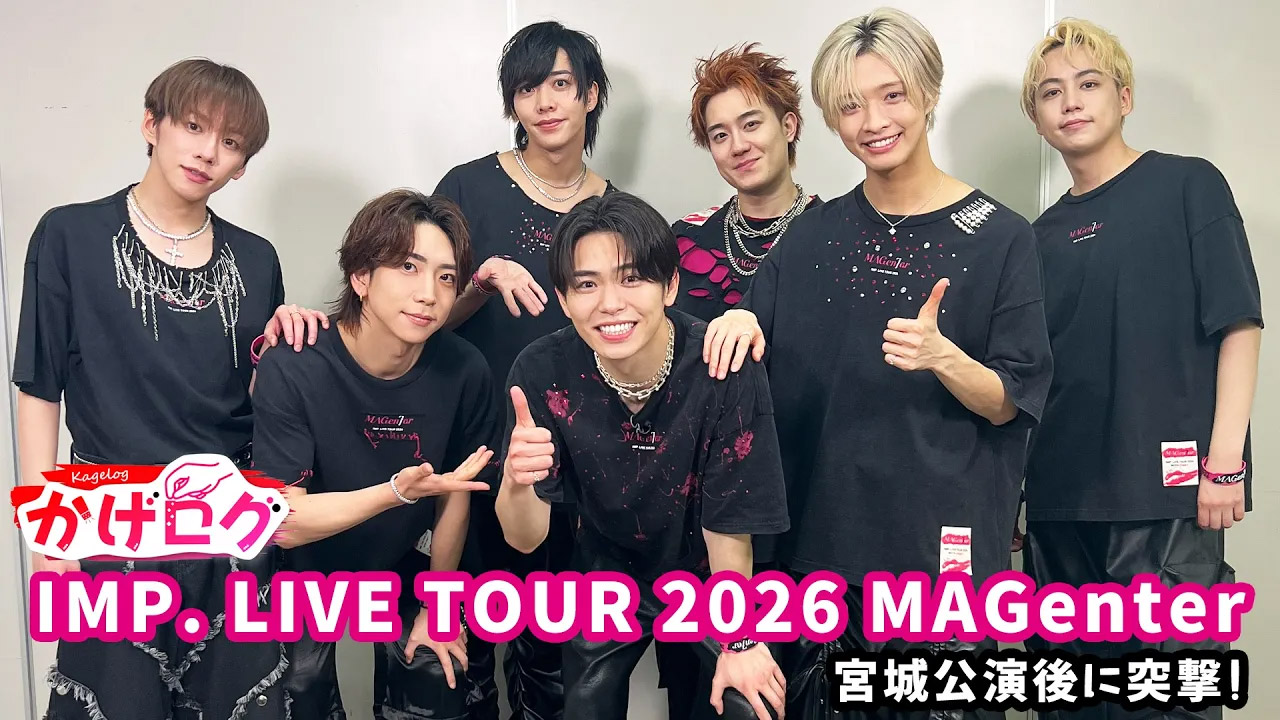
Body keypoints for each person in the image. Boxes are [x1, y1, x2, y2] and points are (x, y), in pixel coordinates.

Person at [706, 8, 1053, 717]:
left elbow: (1010, 400)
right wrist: (739, 316)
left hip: (942, 569)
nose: (873, 121)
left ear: (928, 92)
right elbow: (748, 374)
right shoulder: (810, 238)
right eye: (850, 105)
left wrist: (945, 358)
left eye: (892, 95)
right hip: (818, 566)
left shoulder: (1001, 237)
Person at [12, 57, 319, 720]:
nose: (208, 152)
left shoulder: (257, 259)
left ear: (243, 165)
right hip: (111, 526)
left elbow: (259, 400)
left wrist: (286, 347)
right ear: (152, 124)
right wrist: (46, 530)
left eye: (231, 142)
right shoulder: (69, 234)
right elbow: (40, 384)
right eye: (194, 126)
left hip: (228, 531)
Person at [1019, 18, 1262, 720]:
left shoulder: (1189, 185)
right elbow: (1033, 380)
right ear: (1037, 118)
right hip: (1060, 507)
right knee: (1068, 702)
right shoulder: (1037, 238)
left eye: (1088, 83)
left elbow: (1239, 325)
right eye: (1051, 92)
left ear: (1124, 97)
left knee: (1169, 700)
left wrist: (1225, 462)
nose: (1071, 101)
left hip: (1168, 499)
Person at [495, 191, 790, 720]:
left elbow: (730, 523)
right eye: (587, 284)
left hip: (706, 574)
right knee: (582, 706)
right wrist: (518, 480)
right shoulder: (541, 371)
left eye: (632, 279)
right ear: (564, 298)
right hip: (604, 569)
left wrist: (741, 640)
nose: (611, 303)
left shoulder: (720, 365)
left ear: (669, 285)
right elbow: (525, 537)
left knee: (750, 700)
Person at [251, 188, 499, 719]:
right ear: (361, 276)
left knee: (437, 666)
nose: (428, 294)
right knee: (297, 686)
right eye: (408, 267)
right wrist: (394, 493)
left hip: (403, 560)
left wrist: (438, 607)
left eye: (446, 277)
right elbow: (282, 522)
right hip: (299, 569)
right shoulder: (294, 364)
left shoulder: (465, 370)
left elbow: (456, 494)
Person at [432, 20, 613, 719]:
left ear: (590, 95)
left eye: (561, 84)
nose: (545, 102)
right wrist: (480, 280)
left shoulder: (614, 210)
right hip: (471, 448)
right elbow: (420, 318)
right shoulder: (467, 188)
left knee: (553, 660)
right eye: (528, 88)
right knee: (461, 655)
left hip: (575, 460)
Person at [673, 43, 821, 323]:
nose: (738, 146)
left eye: (751, 124)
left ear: (788, 126)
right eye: (720, 135)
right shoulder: (685, 239)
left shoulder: (834, 232)